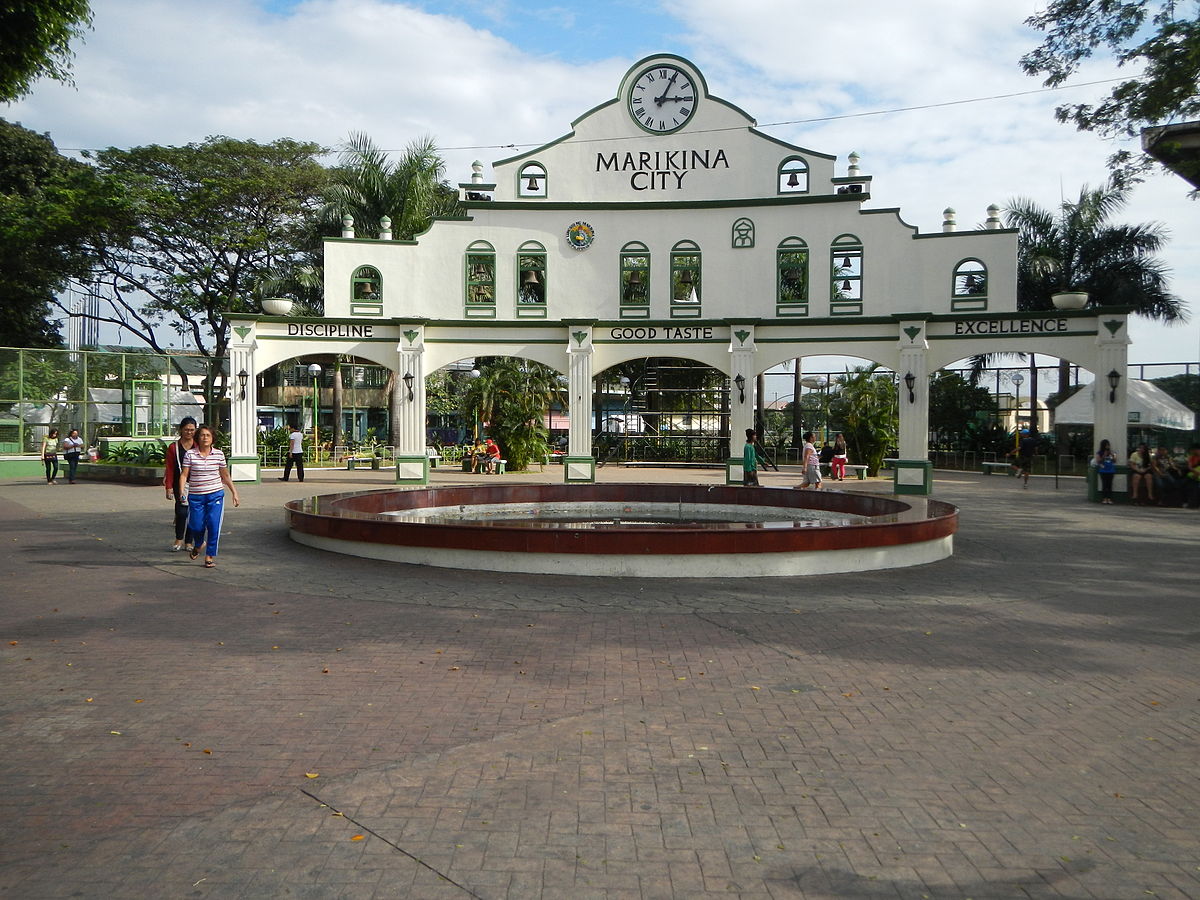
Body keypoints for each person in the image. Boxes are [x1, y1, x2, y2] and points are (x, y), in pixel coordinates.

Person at [179, 425, 240, 568]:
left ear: (213, 439)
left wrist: (234, 492)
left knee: (213, 525)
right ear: (197, 438)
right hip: (196, 496)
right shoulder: (190, 454)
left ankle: (209, 555)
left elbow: (225, 475)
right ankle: (199, 544)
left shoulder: (218, 454)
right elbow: (184, 475)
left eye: (208, 435)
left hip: (215, 495)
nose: (205, 438)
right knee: (195, 525)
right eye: (202, 435)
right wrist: (182, 492)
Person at [163, 417, 198, 552]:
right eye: (186, 430)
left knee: (194, 513)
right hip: (180, 484)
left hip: (197, 484)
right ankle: (179, 538)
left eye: (192, 430)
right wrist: (169, 487)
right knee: (182, 512)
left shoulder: (198, 446)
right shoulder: (174, 448)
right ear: (181, 430)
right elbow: (170, 468)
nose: (189, 432)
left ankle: (189, 541)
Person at [1094, 439, 1117, 505]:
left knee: (1109, 485)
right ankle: (1104, 498)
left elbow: (1115, 460)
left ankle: (1109, 498)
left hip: (1111, 470)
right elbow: (1098, 461)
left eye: (1108, 445)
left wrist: (1112, 455)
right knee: (1104, 485)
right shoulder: (1099, 453)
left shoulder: (1112, 452)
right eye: (1106, 445)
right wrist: (1104, 456)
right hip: (1103, 470)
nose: (1107, 446)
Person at [1184, 445, 1200, 510]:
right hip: (1193, 476)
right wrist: (1195, 472)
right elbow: (1189, 467)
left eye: (1194, 450)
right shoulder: (1191, 457)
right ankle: (1192, 504)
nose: (1193, 452)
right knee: (1191, 487)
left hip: (1197, 476)